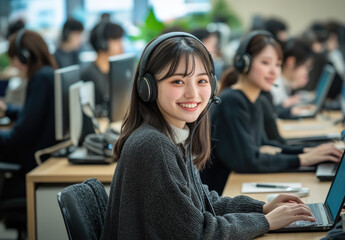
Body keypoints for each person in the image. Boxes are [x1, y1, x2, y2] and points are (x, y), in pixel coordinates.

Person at [101, 32, 317, 239]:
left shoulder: (174, 135)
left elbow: (204, 202)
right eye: (177, 81)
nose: (193, 93)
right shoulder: (153, 145)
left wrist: (262, 208)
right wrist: (266, 222)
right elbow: (198, 233)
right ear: (147, 88)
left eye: (202, 81)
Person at [200, 30, 343, 195]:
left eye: (277, 64)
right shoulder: (232, 101)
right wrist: (303, 159)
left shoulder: (256, 99)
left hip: (241, 187)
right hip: (225, 195)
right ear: (243, 63)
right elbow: (248, 160)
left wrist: (311, 151)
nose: (274, 71)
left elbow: (267, 145)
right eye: (266, 63)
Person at [0, 29, 59, 200]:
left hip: (31, 165)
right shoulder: (48, 73)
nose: (14, 65)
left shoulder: (40, 79)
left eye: (14, 58)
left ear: (26, 56)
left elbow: (20, 136)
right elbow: (34, 116)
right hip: (44, 158)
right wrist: (7, 110)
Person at [81, 20, 125, 117]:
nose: (122, 46)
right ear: (103, 43)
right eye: (116, 41)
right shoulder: (89, 74)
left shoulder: (116, 71)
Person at [270, 38, 314, 119]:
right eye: (306, 67)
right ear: (291, 62)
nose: (306, 73)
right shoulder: (274, 84)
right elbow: (274, 112)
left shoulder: (283, 82)